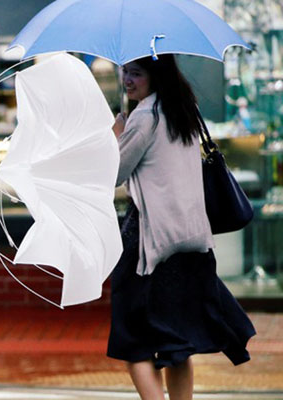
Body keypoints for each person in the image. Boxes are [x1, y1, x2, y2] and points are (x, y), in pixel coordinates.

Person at [107, 55, 255, 400]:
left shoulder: (144, 116)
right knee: (177, 345)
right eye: (125, 72)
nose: (128, 80)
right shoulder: (184, 108)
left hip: (150, 240)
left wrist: (118, 135)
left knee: (134, 344)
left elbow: (114, 174)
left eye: (136, 73)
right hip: (190, 240)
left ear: (154, 76)